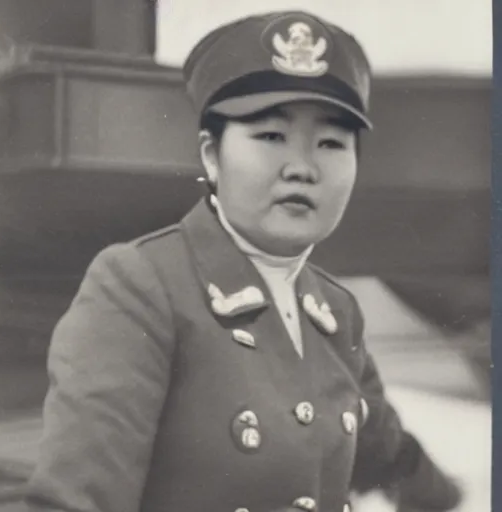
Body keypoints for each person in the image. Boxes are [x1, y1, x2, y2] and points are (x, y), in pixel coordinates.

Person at [23, 10, 462, 512]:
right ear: (211, 156)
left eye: (331, 144)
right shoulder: (141, 286)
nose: (302, 168)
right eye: (271, 136)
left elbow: (392, 456)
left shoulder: (336, 312)